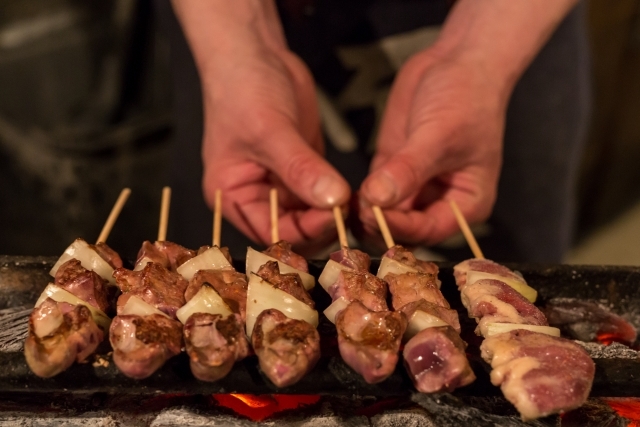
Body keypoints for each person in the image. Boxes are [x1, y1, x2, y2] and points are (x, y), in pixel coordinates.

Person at [160, 0, 590, 262]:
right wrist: (238, 49)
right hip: (230, 23)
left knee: (497, 272)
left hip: (511, 23)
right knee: (247, 252)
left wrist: (480, 57)